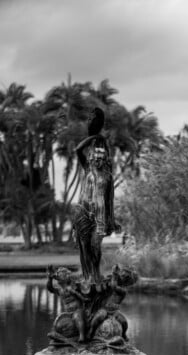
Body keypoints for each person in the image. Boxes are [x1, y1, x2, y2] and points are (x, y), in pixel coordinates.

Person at [73, 108, 117, 284]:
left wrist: (111, 219)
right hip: (83, 212)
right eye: (94, 157)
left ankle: (96, 273)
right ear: (90, 159)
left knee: (95, 245)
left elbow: (110, 200)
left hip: (99, 216)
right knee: (85, 247)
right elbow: (77, 150)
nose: (97, 160)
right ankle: (89, 275)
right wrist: (92, 139)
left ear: (105, 159)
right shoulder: (87, 170)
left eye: (101, 157)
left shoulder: (108, 177)